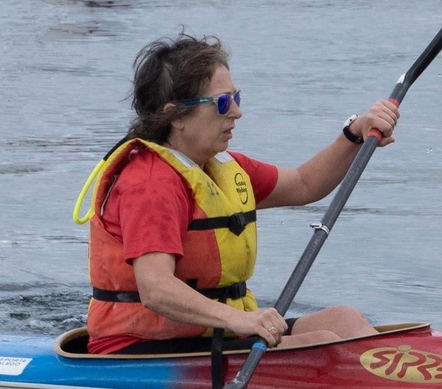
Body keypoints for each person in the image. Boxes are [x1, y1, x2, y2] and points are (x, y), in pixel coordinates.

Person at [73, 34, 399, 356]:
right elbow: (155, 289)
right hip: (141, 349)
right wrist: (240, 319)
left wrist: (355, 134)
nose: (237, 113)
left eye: (236, 98)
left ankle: (399, 380)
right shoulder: (149, 185)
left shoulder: (220, 167)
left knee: (344, 320)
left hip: (211, 334)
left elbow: (304, 183)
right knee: (322, 346)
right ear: (176, 116)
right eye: (222, 103)